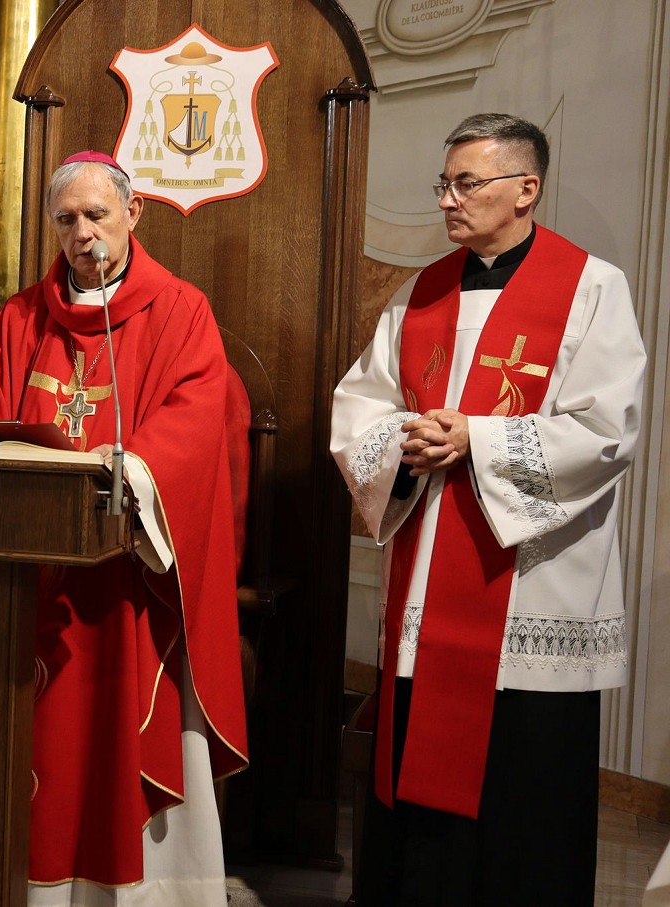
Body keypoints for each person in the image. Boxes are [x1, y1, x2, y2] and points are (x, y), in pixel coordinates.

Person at [331, 113, 646, 905]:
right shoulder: (421, 292)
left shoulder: (592, 289)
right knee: (422, 827)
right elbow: (361, 407)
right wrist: (407, 439)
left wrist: (477, 438)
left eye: (466, 183)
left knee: (522, 805)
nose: (447, 199)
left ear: (526, 189)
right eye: (445, 183)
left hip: (533, 587)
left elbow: (607, 429)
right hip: (429, 579)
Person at [0, 150, 248, 903]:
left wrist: (133, 471)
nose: (82, 234)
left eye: (96, 215)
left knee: (119, 723)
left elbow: (196, 424)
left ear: (132, 213)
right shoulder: (21, 318)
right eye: (66, 220)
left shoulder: (179, 311)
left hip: (127, 578)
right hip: (29, 578)